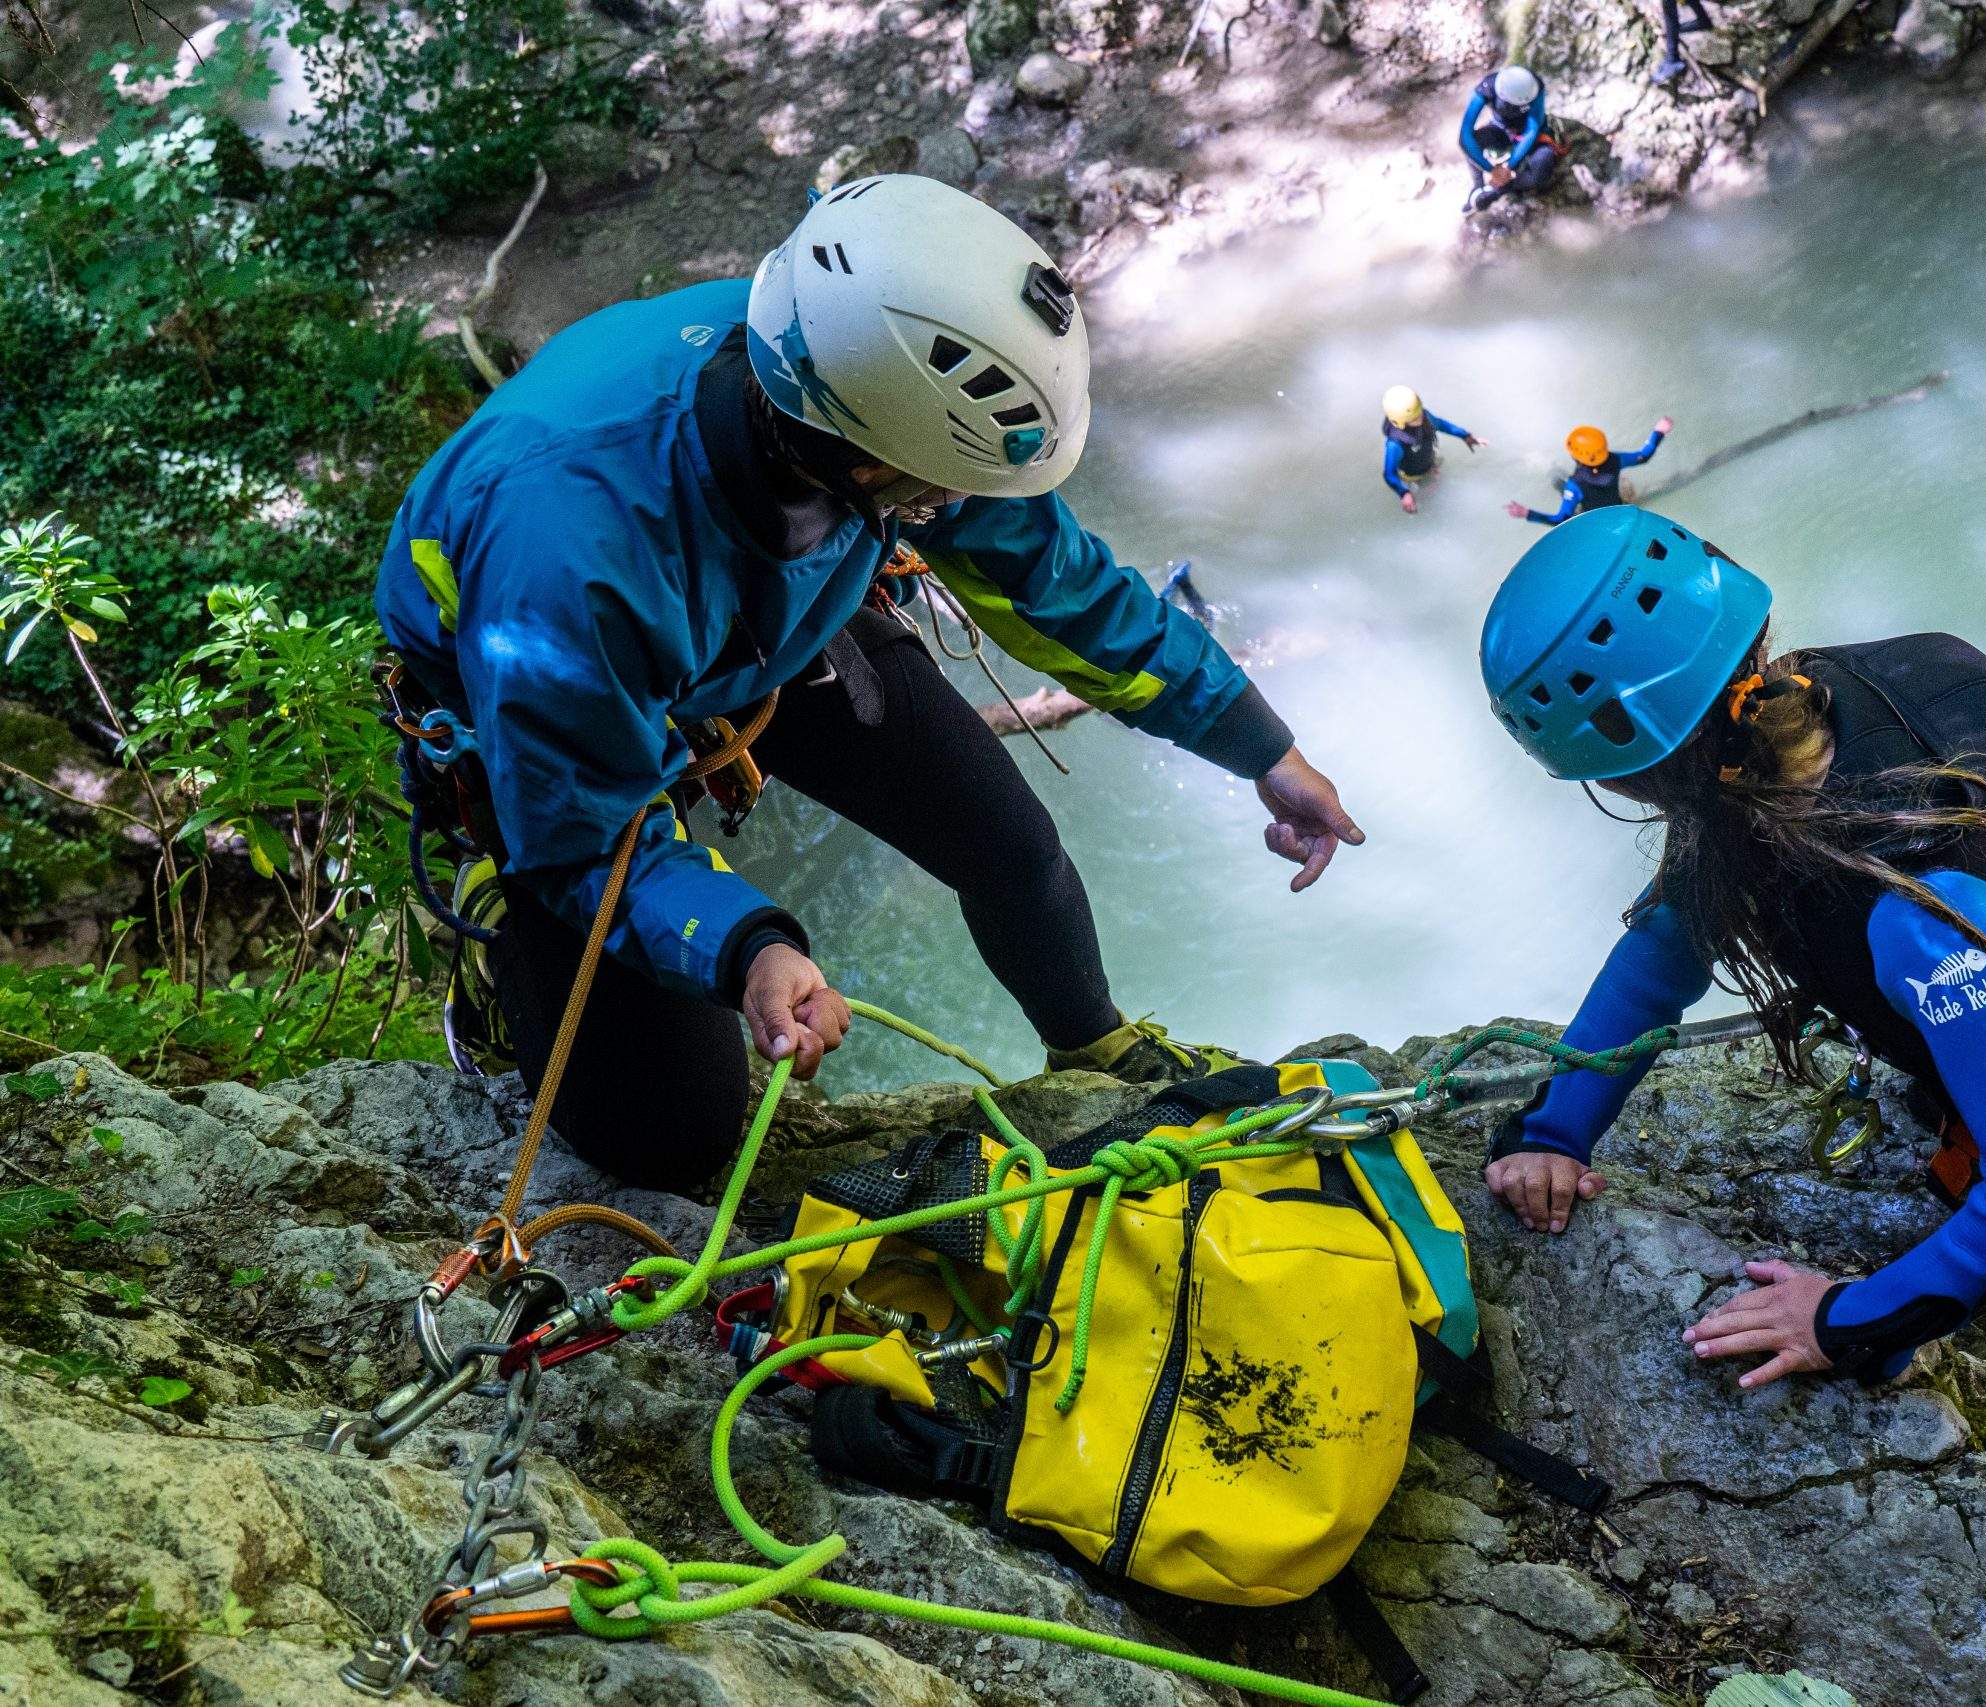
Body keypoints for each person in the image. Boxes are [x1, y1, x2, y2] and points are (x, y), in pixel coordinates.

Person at [377, 175, 1365, 1193]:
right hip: (554, 692)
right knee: (667, 1139)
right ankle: (515, 955)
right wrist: (752, 946)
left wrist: (1259, 746)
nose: (953, 509)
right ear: (850, 456)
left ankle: (1095, 1054)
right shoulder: (569, 557)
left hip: (774, 607)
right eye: (934, 492)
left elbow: (1059, 591)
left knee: (1010, 847)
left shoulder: (852, 389)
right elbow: (584, 829)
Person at [1473, 507, 1986, 1388]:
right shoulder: (1777, 728)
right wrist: (1553, 1134)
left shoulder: (1924, 923)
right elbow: (1664, 948)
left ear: (1632, 768)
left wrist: (1844, 1322)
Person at [1505, 418, 1672, 526]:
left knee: (1558, 482)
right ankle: (1553, 470)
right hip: (1619, 507)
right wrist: (1658, 432)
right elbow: (1643, 456)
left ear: (1575, 455)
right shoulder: (1615, 460)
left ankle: (1552, 470)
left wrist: (1528, 513)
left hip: (1594, 519)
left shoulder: (1574, 485)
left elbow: (1561, 519)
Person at [1460, 64, 1567, 214]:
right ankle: (1478, 186)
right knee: (1475, 142)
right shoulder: (1487, 87)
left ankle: (1500, 189)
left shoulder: (1533, 86)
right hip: (1501, 131)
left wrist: (1509, 166)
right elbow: (1465, 136)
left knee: (1543, 164)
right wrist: (1490, 169)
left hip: (1532, 136)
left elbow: (1531, 131)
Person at [1381, 385, 1484, 514]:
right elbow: (1389, 473)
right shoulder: (1395, 444)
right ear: (1399, 422)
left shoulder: (1422, 416)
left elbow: (1440, 424)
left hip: (1429, 462)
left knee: (1436, 480)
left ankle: (1432, 474)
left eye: (1419, 412)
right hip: (1412, 476)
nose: (1421, 417)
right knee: (1428, 497)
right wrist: (1404, 493)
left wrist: (1465, 436)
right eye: (1414, 417)